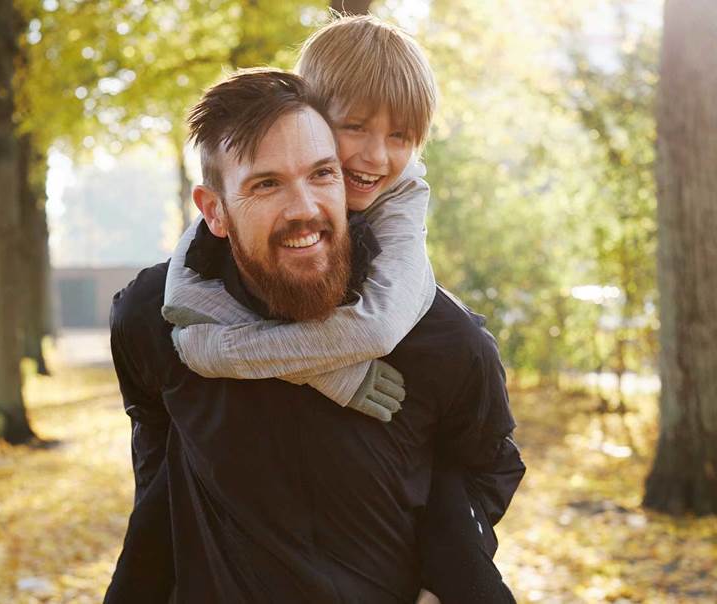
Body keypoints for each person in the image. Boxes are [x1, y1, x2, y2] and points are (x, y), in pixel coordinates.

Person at [105, 68, 524, 603]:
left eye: (322, 174)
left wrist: (444, 579)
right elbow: (157, 447)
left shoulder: (440, 338)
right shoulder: (153, 320)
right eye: (266, 184)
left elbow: (490, 462)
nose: (303, 209)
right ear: (214, 210)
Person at [164, 15, 438, 423]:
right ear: (310, 116)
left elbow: (379, 328)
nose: (376, 157)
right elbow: (183, 298)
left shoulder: (404, 192)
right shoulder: (255, 195)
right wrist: (334, 373)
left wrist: (219, 352)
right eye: (355, 127)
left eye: (400, 136)